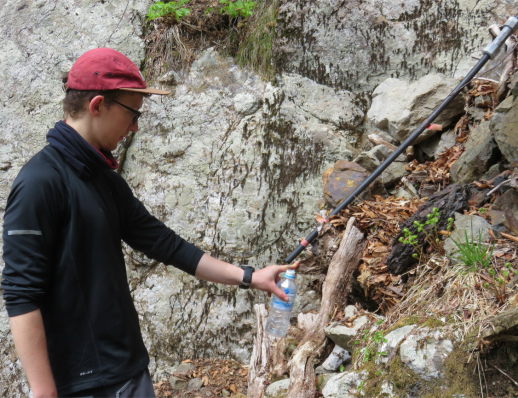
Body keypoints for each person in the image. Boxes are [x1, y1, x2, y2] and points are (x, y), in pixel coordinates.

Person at [1, 47, 298, 398]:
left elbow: (164, 243)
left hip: (128, 371)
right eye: (131, 113)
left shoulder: (103, 178)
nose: (135, 126)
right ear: (97, 106)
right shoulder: (40, 183)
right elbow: (21, 295)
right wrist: (43, 391)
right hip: (83, 385)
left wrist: (248, 276)